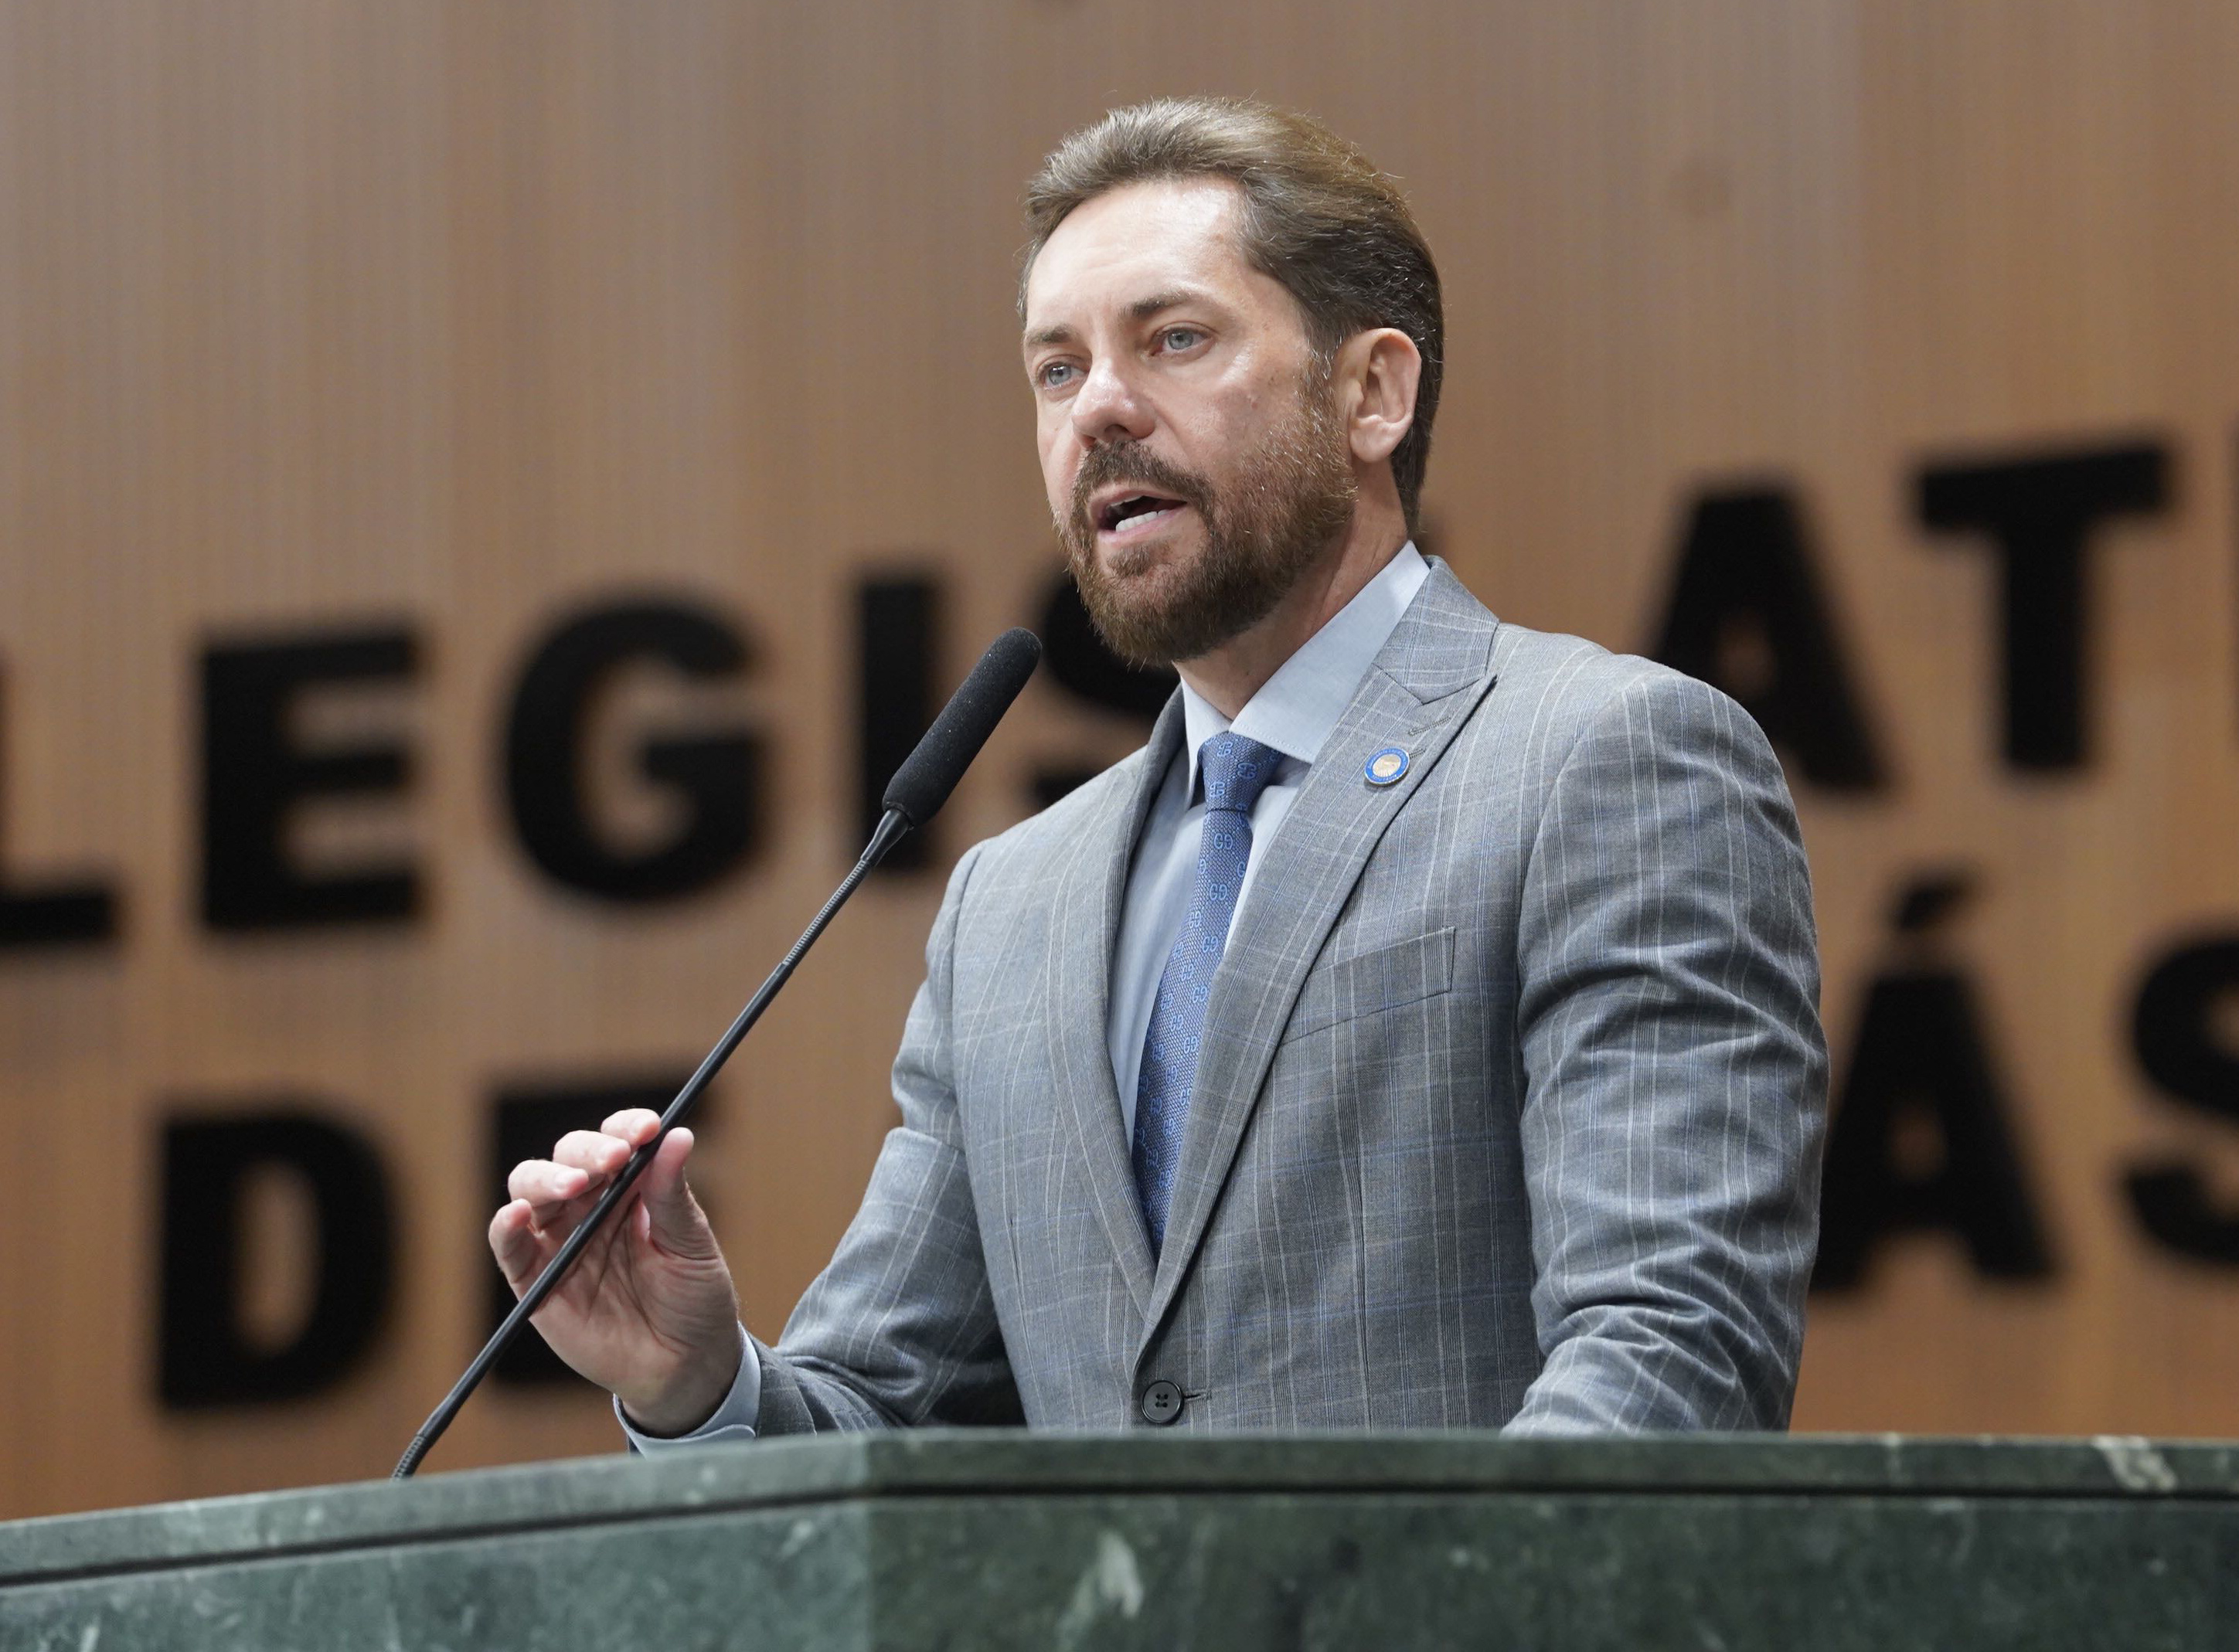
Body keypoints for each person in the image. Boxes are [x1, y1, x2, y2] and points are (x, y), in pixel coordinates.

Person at [490, 98, 1828, 1437]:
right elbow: (886, 1410)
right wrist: (698, 1385)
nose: (1100, 409)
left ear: (1371, 393)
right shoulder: (1010, 906)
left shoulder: (1603, 764)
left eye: (1174, 338)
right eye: (1056, 369)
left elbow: (1670, 1350)